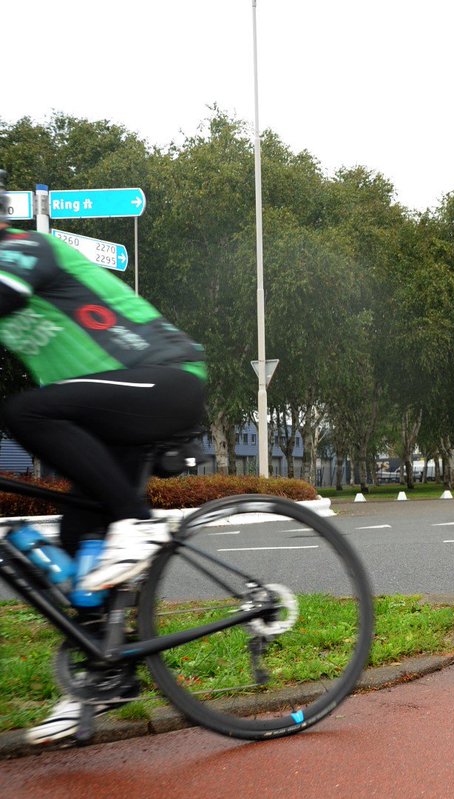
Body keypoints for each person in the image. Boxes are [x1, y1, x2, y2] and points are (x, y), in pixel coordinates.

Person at [0, 171, 208, 744]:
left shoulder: (24, 248)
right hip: (111, 414)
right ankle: (101, 682)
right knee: (76, 551)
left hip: (164, 378)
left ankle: (138, 526)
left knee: (25, 412)